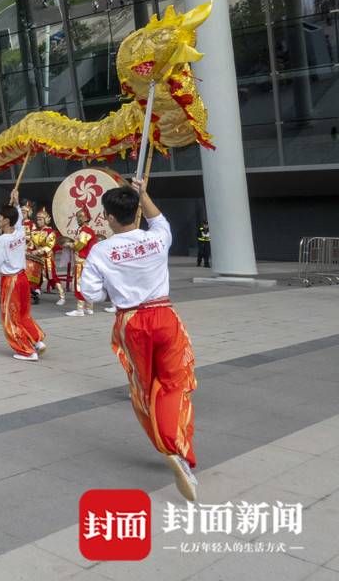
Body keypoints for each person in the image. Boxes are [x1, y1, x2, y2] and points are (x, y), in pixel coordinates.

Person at [79, 180, 198, 501]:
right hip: (164, 316)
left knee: (144, 389)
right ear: (136, 213)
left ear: (108, 217)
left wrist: (112, 288)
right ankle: (178, 448)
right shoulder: (157, 238)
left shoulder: (100, 250)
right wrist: (143, 193)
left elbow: (89, 293)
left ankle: (168, 445)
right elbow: (160, 220)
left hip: (131, 322)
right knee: (174, 384)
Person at [0, 189, 46, 361]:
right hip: (22, 278)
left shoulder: (2, 240)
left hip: (10, 281)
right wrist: (16, 202)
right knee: (24, 313)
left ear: (5, 220)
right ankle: (37, 340)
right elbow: (18, 220)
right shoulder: (20, 232)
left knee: (11, 317)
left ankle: (26, 350)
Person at [65, 209, 99, 317]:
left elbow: (80, 244)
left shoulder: (85, 230)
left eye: (79, 217)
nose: (77, 219)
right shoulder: (88, 230)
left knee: (79, 284)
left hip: (82, 261)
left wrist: (70, 245)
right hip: (88, 261)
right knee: (88, 284)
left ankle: (80, 309)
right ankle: (89, 308)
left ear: (83, 218)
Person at [32, 207, 66, 306]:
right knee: (36, 277)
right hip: (37, 259)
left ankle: (62, 295)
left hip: (47, 259)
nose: (38, 221)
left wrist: (38, 251)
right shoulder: (36, 232)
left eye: (40, 219)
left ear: (46, 220)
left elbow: (49, 246)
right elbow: (32, 243)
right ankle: (36, 292)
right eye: (37, 219)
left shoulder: (51, 232)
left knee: (52, 277)